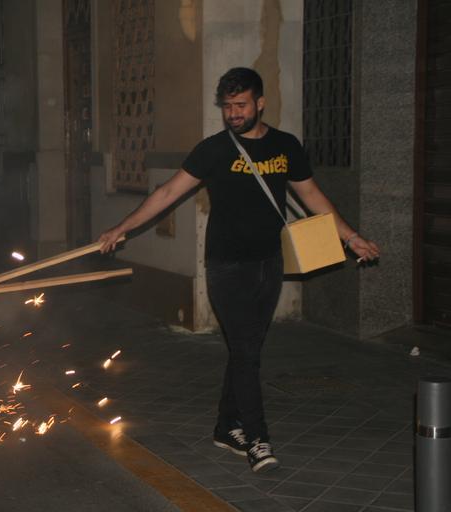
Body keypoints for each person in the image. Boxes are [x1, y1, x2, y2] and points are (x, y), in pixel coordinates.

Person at [99, 67, 380, 473]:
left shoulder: (285, 146)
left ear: (260, 103)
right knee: (247, 352)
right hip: (226, 266)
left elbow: (312, 196)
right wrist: (121, 228)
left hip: (269, 262)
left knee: (246, 350)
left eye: (241, 105)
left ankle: (224, 427)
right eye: (228, 106)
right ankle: (257, 437)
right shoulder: (214, 150)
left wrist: (351, 237)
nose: (233, 113)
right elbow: (168, 192)